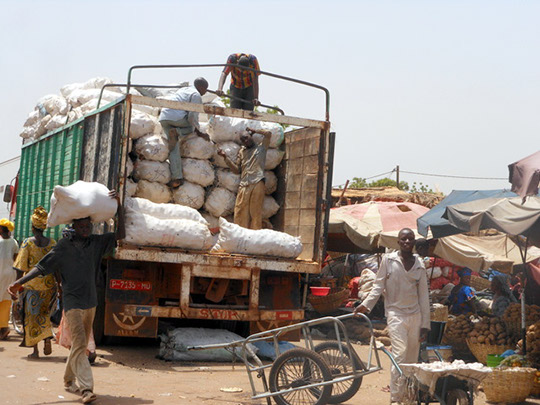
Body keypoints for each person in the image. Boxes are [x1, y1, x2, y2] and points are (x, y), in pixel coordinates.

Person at [8, 190, 123, 404]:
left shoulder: (97, 243)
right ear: (74, 227)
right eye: (81, 226)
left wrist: (119, 207)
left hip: (91, 301)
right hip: (72, 302)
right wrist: (19, 282)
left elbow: (121, 235)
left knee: (78, 346)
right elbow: (41, 267)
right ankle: (86, 389)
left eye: (88, 226)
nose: (85, 229)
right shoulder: (63, 247)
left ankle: (68, 380)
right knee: (81, 342)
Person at [354, 228, 430, 404]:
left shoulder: (419, 264)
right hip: (396, 315)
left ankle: (409, 397)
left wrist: (425, 324)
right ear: (398, 241)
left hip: (415, 315)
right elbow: (378, 286)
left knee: (412, 359)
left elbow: (424, 297)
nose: (406, 242)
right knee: (399, 355)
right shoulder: (389, 260)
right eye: (403, 239)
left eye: (410, 239)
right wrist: (365, 305)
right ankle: (396, 398)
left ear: (413, 242)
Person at [13, 206, 57, 358]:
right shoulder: (52, 243)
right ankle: (46, 337)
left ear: (33, 227)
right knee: (44, 314)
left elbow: (20, 267)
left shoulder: (28, 243)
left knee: (32, 317)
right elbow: (57, 267)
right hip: (49, 286)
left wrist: (17, 286)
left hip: (31, 286)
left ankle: (35, 350)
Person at [158, 78, 210, 188]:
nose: (205, 92)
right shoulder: (196, 95)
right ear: (201, 87)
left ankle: (177, 177)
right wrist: (199, 132)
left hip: (164, 117)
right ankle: (177, 131)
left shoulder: (184, 90)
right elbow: (192, 116)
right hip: (176, 119)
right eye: (205, 89)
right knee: (191, 128)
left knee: (174, 148)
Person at [217, 127, 270, 229]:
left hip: (257, 182)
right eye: (243, 140)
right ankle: (241, 235)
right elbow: (237, 170)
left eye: (246, 138)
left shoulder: (261, 147)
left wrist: (256, 130)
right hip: (244, 184)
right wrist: (225, 157)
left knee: (255, 212)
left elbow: (268, 134)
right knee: (240, 211)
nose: (246, 141)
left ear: (251, 136)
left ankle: (254, 237)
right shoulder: (242, 152)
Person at [0, 219, 19, 340]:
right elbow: (17, 260)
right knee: (6, 301)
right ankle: (4, 327)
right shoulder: (14, 242)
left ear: (2, 229)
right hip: (10, 273)